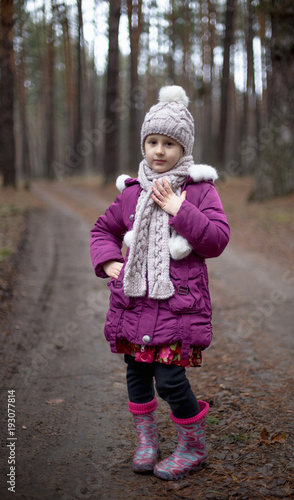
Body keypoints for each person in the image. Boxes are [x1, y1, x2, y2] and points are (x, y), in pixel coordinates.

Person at [90, 85, 230, 480]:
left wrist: (179, 209)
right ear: (144, 145)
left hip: (176, 309)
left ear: (183, 149)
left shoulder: (200, 191)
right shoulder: (132, 193)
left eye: (169, 143)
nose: (159, 150)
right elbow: (102, 230)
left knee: (170, 380)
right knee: (136, 374)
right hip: (134, 305)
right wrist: (109, 261)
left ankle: (192, 446)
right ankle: (147, 442)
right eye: (152, 141)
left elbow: (217, 240)